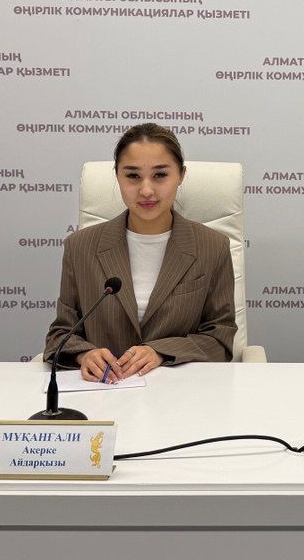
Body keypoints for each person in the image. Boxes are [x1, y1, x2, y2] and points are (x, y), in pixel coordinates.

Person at [44, 123, 236, 380]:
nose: (146, 190)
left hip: (180, 390)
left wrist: (161, 352)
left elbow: (220, 338)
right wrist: (84, 354)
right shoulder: (80, 247)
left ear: (181, 175)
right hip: (104, 391)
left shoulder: (212, 246)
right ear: (117, 177)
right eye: (133, 176)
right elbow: (60, 335)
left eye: (160, 175)